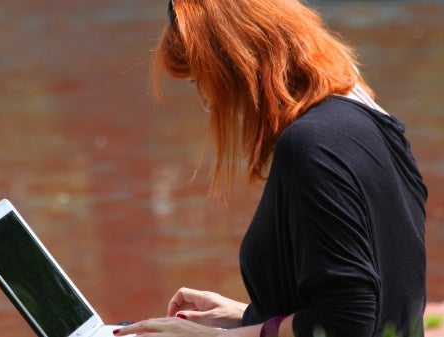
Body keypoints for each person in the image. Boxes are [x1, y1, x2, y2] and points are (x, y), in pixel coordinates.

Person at [114, 0, 427, 336]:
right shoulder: (371, 121)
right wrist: (243, 316)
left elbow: (347, 322)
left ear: (235, 63)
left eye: (199, 80)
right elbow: (384, 296)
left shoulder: (310, 147)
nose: (206, 103)